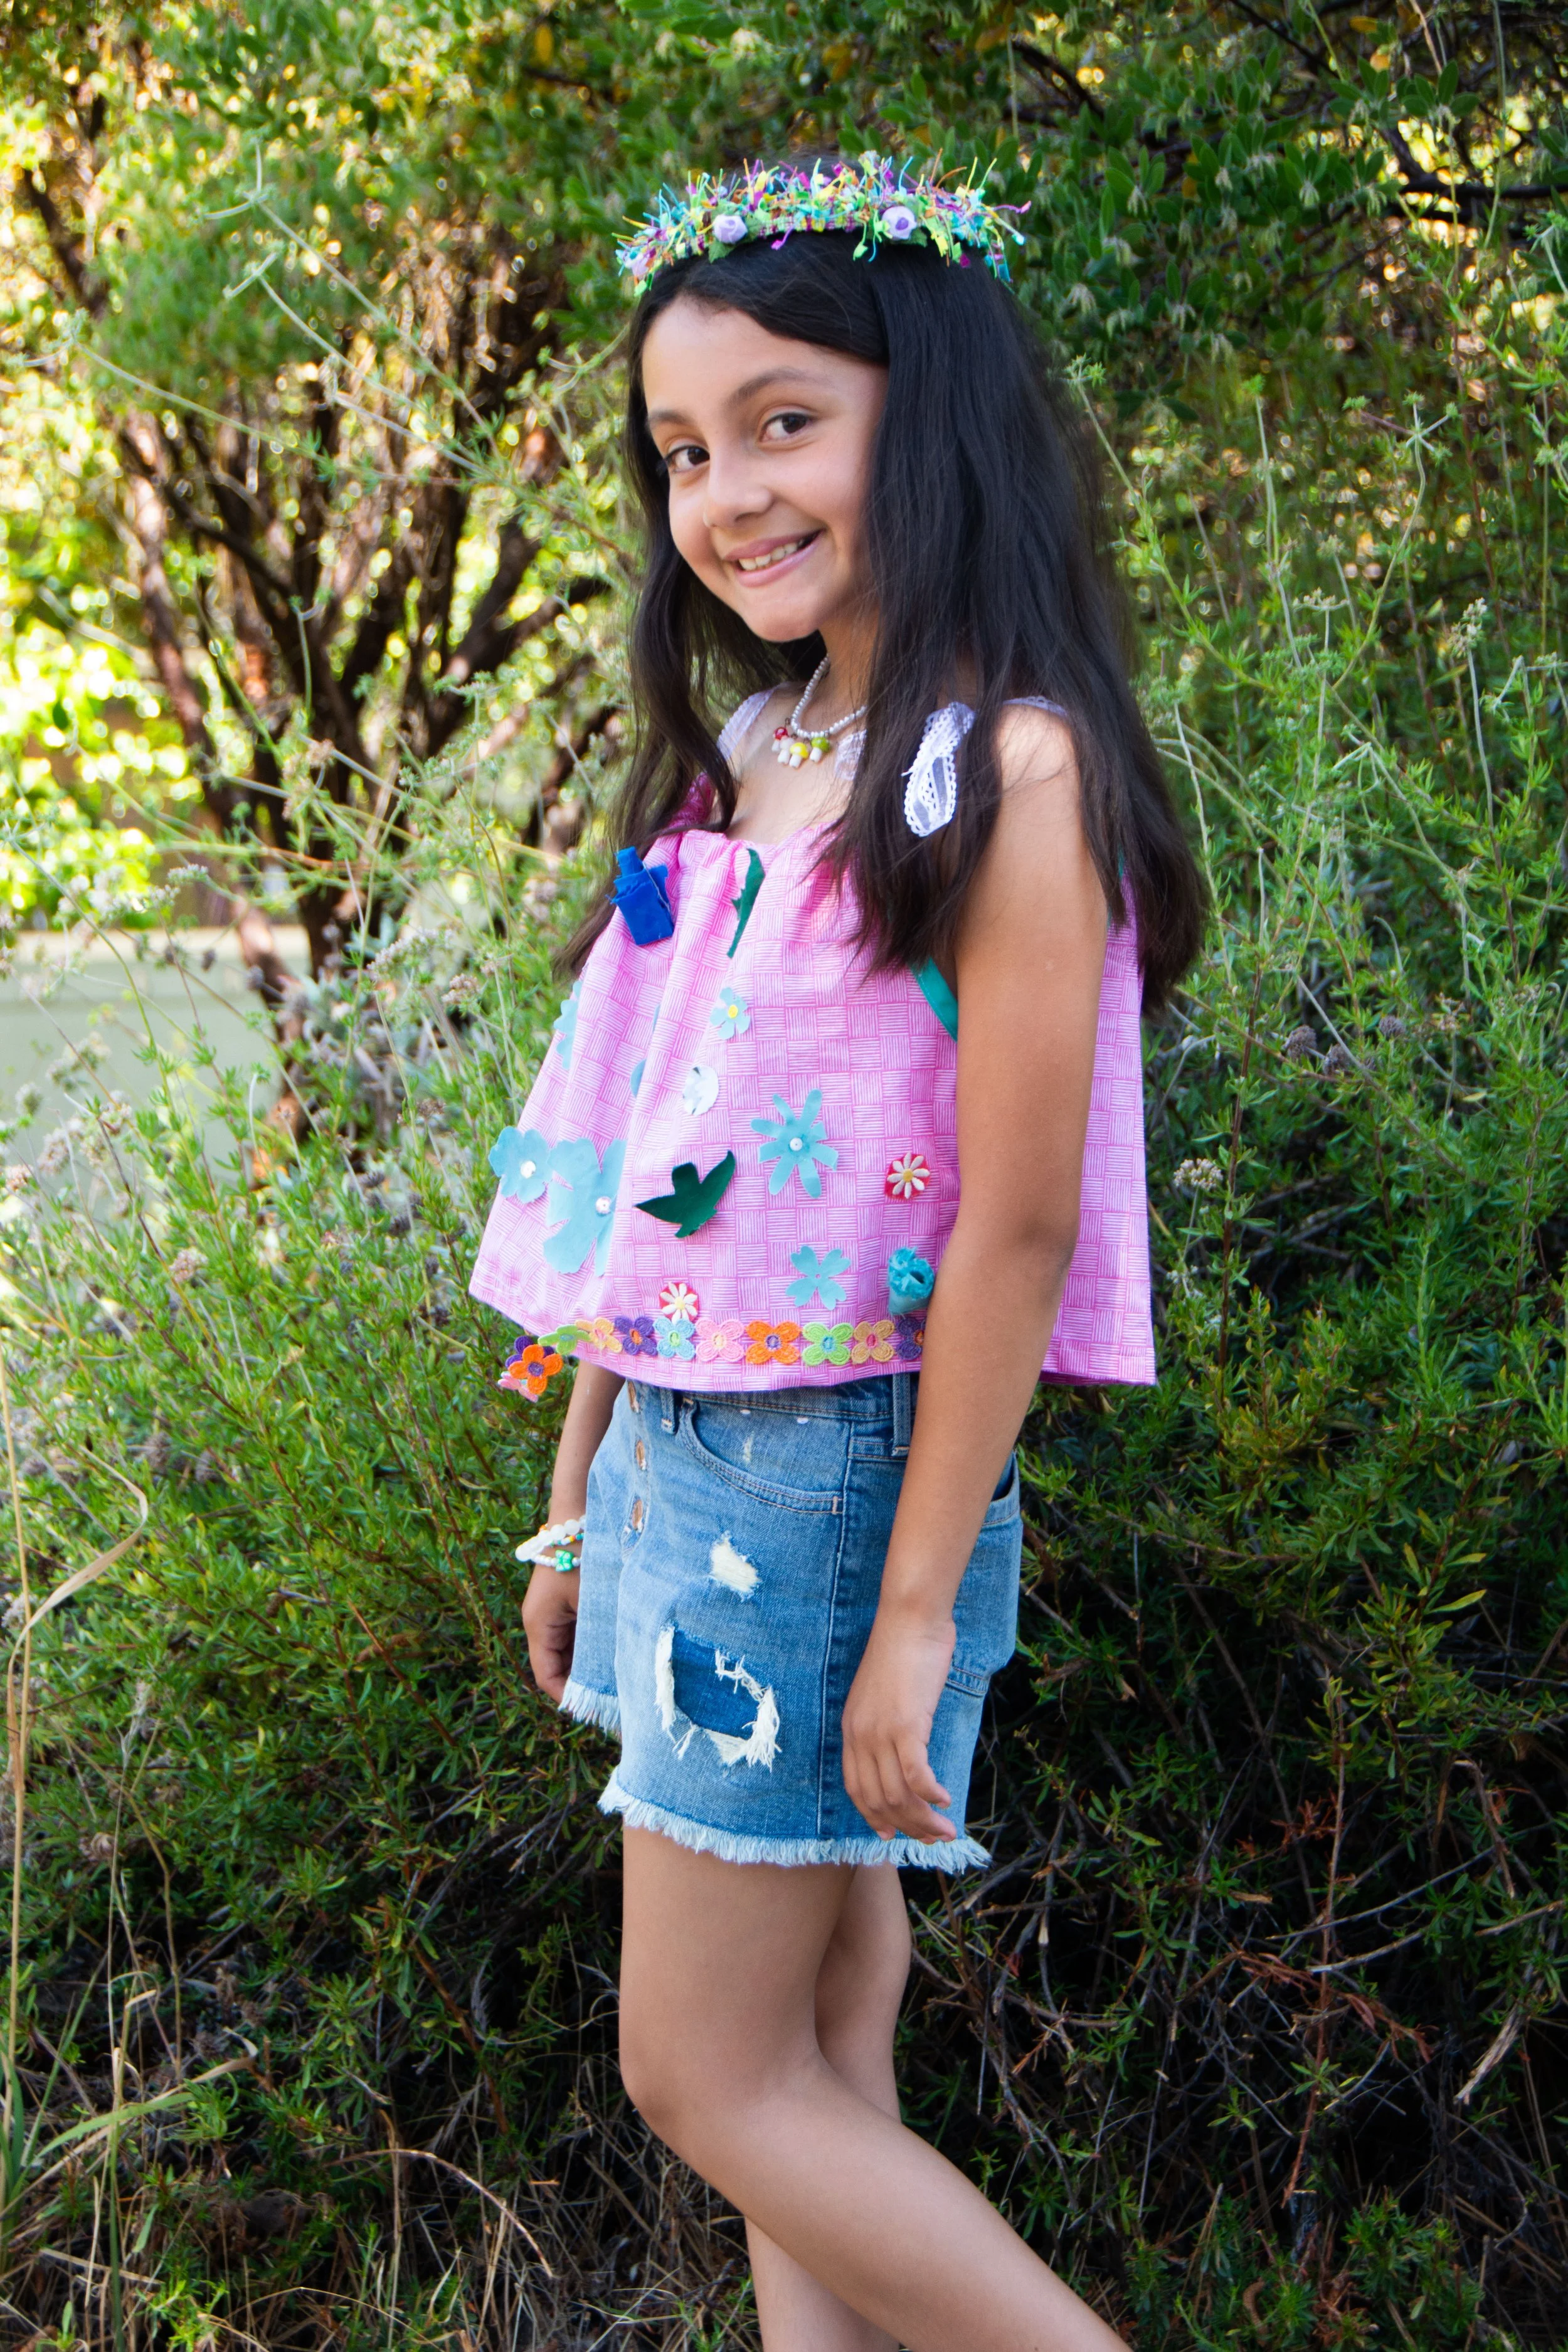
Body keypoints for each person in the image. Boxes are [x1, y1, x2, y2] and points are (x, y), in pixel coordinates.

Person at [471, 156, 1204, 2352]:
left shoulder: (1010, 771)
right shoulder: (756, 764)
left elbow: (1013, 1230)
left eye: (784, 420)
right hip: (684, 1458)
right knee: (824, 2051)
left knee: (694, 2071)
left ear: (935, 414)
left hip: (825, 1480)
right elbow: (660, 1168)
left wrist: (908, 1616)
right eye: (684, 449)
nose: (725, 493)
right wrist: (578, 1478)